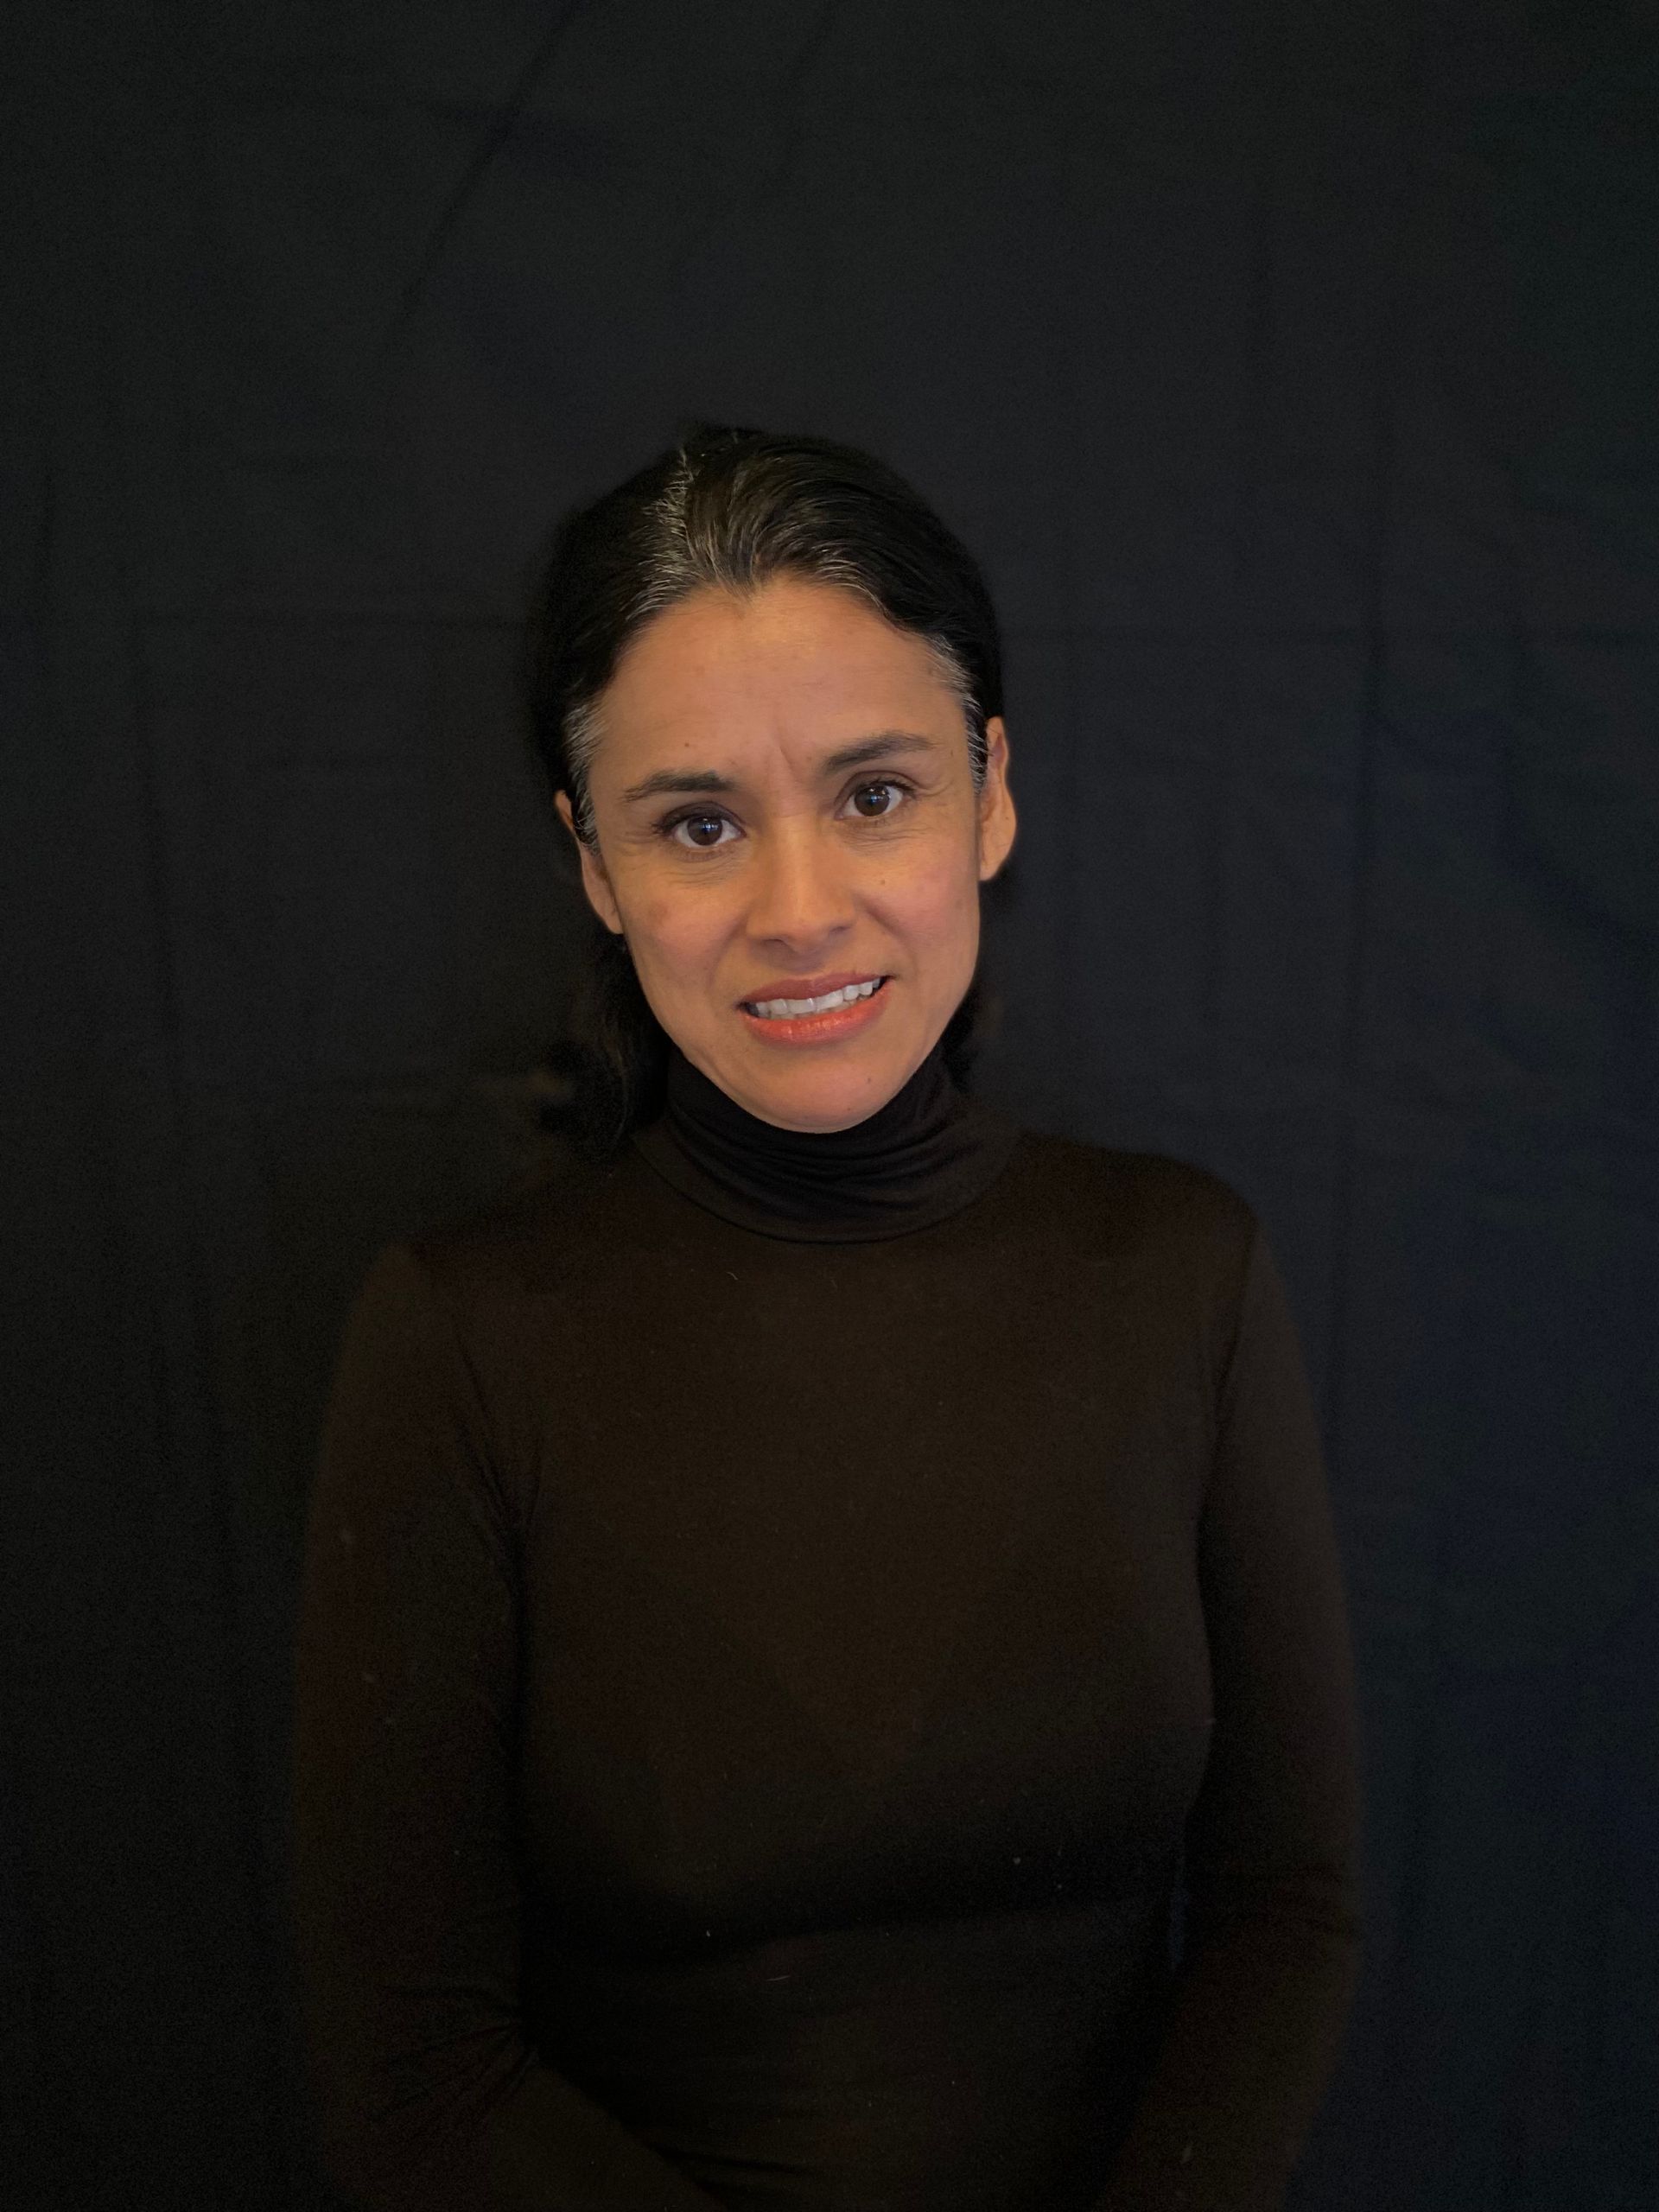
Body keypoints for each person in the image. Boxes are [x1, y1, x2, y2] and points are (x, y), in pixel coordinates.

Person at [289, 425, 1363, 2212]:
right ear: (595, 862)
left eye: (875, 792)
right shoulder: (462, 1343)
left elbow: (1288, 1904)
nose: (800, 910)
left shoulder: (1183, 1272)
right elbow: (415, 2068)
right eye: (698, 820)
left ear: (991, 788)